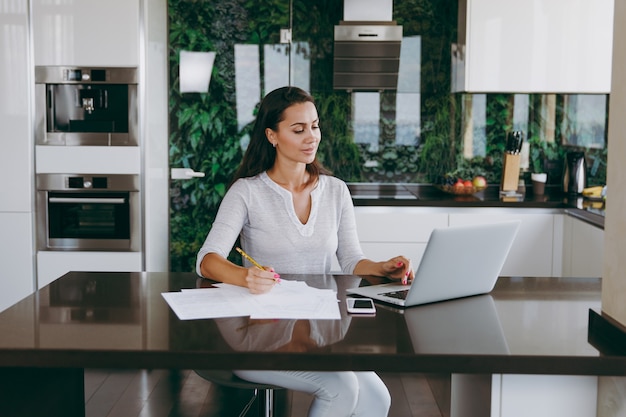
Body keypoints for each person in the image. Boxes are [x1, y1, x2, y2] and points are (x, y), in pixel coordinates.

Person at [196, 86, 414, 417]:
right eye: (298, 130)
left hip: (324, 334)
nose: (311, 136)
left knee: (377, 399)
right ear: (272, 135)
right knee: (341, 388)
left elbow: (352, 260)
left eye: (314, 126)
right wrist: (245, 276)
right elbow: (207, 260)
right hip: (259, 338)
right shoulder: (247, 192)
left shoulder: (336, 191)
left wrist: (383, 268)